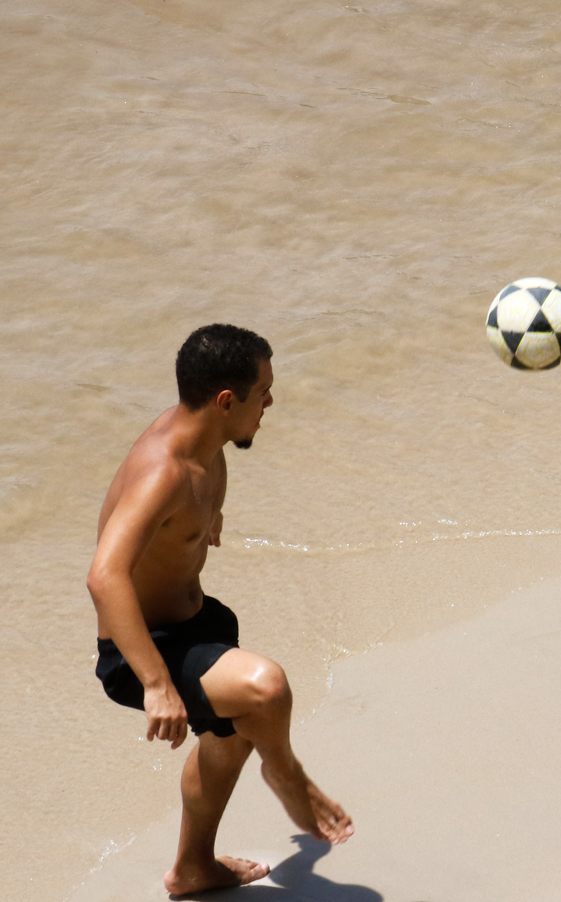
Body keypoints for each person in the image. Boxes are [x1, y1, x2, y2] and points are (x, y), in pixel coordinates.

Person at [87, 323, 354, 898]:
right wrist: (156, 684)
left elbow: (172, 511)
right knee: (266, 690)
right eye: (264, 393)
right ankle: (286, 776)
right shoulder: (163, 471)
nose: (271, 402)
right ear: (226, 401)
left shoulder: (204, 437)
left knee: (232, 734)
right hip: (144, 649)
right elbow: (104, 575)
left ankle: (191, 869)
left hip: (198, 622)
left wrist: (203, 522)